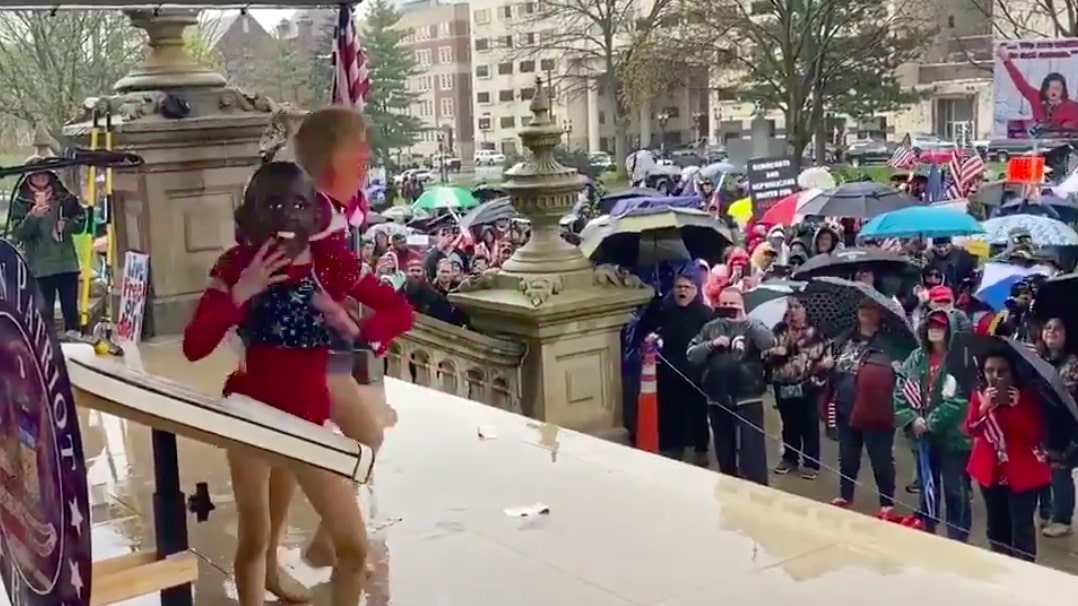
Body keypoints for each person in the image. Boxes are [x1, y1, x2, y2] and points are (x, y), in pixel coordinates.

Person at [183, 162, 412, 606]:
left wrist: (353, 326)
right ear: (250, 215)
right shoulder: (234, 266)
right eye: (272, 204)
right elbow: (194, 345)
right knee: (256, 534)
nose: (287, 215)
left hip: (308, 426)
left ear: (314, 216)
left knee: (352, 548)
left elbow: (398, 311)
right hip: (251, 415)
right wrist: (239, 294)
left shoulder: (332, 264)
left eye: (298, 204)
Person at [965, 347, 1050, 562]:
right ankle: (1000, 564)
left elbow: (1034, 435)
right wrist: (984, 408)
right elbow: (971, 430)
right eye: (989, 370)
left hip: (1022, 474)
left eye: (1001, 371)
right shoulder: (978, 394)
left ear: (1013, 373)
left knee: (1021, 528)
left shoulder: (1029, 396)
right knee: (996, 526)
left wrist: (1017, 408)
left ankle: (1025, 571)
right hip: (990, 472)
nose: (994, 376)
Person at [893, 310, 971, 541]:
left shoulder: (961, 359)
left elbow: (962, 397)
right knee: (928, 487)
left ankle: (958, 537)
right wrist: (911, 418)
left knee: (955, 491)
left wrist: (931, 422)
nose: (935, 329)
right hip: (921, 437)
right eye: (931, 325)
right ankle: (928, 532)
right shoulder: (916, 357)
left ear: (950, 330)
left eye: (941, 325)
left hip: (954, 439)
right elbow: (900, 388)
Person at [687, 287, 776, 485]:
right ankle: (728, 487)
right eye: (724, 304)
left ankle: (757, 490)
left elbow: (769, 342)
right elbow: (691, 354)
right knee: (724, 450)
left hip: (748, 394)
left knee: (752, 451)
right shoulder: (710, 327)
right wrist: (711, 345)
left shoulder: (753, 324)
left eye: (733, 304)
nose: (728, 308)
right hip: (718, 396)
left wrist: (746, 321)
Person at [828, 298, 903, 519]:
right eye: (862, 307)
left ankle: (887, 502)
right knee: (847, 455)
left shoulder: (889, 343)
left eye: (871, 309)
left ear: (880, 314)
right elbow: (834, 366)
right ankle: (845, 494)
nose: (866, 313)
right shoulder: (844, 338)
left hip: (876, 409)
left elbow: (898, 375)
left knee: (881, 458)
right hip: (846, 405)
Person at [642, 266, 713, 464]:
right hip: (670, 370)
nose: (682, 291)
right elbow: (649, 328)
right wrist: (653, 304)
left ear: (695, 290)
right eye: (678, 287)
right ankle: (673, 448)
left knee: (698, 412)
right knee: (671, 412)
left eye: (686, 287)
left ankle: (701, 449)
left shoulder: (705, 314)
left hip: (695, 372)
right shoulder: (666, 310)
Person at [7, 161, 86, 337]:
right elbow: (18, 233)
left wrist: (68, 225)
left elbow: (82, 221)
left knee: (71, 310)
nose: (41, 178)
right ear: (29, 178)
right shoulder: (22, 201)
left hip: (66, 264)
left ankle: (75, 342)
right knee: (44, 313)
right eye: (36, 175)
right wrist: (33, 217)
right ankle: (48, 347)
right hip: (40, 268)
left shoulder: (64, 197)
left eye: (44, 174)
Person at [766, 296, 827, 479]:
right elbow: (767, 354)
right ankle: (790, 458)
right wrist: (775, 353)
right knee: (788, 423)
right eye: (790, 306)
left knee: (809, 424)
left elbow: (821, 355)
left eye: (797, 306)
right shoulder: (779, 330)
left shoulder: (816, 332)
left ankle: (811, 462)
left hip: (808, 384)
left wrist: (822, 365)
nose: (793, 311)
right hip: (782, 382)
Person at [1037, 317, 1078, 538]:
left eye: (1058, 329)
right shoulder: (1037, 359)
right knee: (1051, 470)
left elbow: (1066, 395)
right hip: (1049, 427)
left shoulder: (1072, 362)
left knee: (1061, 470)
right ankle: (1050, 512)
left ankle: (1062, 519)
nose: (1052, 332)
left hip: (1070, 429)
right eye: (1048, 327)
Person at [997, 45, 1078, 132]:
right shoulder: (1036, 98)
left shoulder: (1073, 107)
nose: (1053, 91)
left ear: (1063, 90)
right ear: (1045, 89)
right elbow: (1021, 84)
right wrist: (1006, 61)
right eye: (1050, 88)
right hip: (1039, 143)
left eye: (1057, 88)